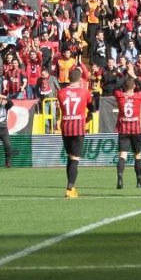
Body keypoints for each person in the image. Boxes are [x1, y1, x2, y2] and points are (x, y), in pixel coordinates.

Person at [57, 68, 94, 198]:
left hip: (66, 127)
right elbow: (92, 107)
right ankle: (70, 188)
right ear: (80, 79)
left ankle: (71, 187)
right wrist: (89, 115)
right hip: (78, 128)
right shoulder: (84, 92)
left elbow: (61, 108)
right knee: (75, 159)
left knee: (70, 157)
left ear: (69, 78)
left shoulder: (61, 92)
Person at [113, 68, 141, 189]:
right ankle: (139, 182)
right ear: (134, 87)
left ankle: (120, 177)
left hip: (123, 130)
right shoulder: (138, 96)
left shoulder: (120, 96)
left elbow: (114, 87)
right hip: (136, 130)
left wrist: (124, 76)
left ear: (124, 87)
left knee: (122, 155)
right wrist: (134, 76)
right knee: (137, 155)